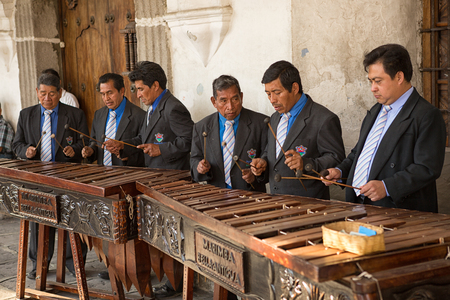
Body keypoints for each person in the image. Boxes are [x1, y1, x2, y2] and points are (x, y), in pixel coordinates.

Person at [324, 44, 446, 212]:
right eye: (371, 81)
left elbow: (427, 168)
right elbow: (360, 152)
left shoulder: (427, 115)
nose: (373, 88)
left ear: (399, 77)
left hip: (400, 214)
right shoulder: (376, 110)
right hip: (359, 206)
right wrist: (340, 171)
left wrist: (387, 186)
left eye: (378, 81)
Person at [12, 73, 89, 279]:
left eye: (52, 94)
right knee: (39, 221)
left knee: (71, 219)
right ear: (37, 92)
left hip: (67, 176)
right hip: (38, 177)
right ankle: (39, 263)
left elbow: (85, 143)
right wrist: (26, 151)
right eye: (43, 93)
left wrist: (76, 150)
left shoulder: (75, 114)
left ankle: (73, 262)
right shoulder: (26, 114)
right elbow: (17, 144)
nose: (47, 98)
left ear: (60, 93)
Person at [251, 60, 345, 199]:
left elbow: (337, 159)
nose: (272, 100)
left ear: (294, 88)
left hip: (309, 206)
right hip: (277, 203)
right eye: (268, 94)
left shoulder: (324, 119)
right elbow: (271, 152)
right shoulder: (275, 118)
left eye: (277, 92)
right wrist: (263, 163)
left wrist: (306, 164)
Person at [104, 61, 193, 171]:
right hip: (155, 174)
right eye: (137, 90)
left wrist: (161, 149)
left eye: (141, 89)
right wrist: (122, 145)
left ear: (155, 85)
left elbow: (190, 139)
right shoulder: (151, 108)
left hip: (173, 176)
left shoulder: (173, 108)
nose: (138, 95)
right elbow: (143, 139)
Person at [191, 75, 268, 191]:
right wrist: (199, 167)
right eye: (223, 101)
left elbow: (271, 161)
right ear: (214, 101)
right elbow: (194, 160)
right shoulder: (201, 127)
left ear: (241, 97)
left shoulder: (261, 123)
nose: (230, 106)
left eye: (235, 99)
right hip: (216, 198)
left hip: (251, 198)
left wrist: (257, 175)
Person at [82, 73, 146, 167]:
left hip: (128, 174)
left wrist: (127, 156)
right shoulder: (98, 114)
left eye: (110, 93)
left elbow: (144, 149)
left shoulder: (140, 115)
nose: (106, 98)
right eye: (103, 94)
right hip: (103, 175)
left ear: (122, 91)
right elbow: (94, 142)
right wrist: (91, 151)